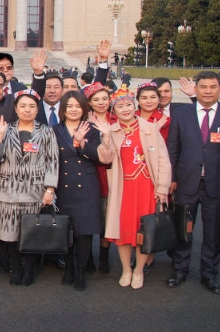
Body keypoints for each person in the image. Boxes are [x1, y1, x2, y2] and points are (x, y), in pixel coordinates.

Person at [166, 71, 220, 294]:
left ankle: (209, 274)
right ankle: (180, 270)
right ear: (196, 89)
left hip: (218, 185)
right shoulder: (181, 113)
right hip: (186, 182)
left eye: (213, 87)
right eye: (203, 87)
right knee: (183, 230)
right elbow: (173, 148)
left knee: (213, 234)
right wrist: (172, 178)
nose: (208, 91)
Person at [92, 88, 171, 290]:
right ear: (113, 110)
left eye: (128, 104)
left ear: (134, 106)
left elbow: (163, 160)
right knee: (124, 231)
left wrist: (162, 187)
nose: (125, 109)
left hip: (147, 187)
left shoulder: (149, 128)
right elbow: (105, 158)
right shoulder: (112, 130)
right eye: (120, 106)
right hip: (123, 188)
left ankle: (139, 270)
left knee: (145, 230)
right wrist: (106, 137)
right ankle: (126, 269)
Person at [0, 89, 59, 286]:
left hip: (34, 190)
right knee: (10, 233)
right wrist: (0, 136)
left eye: (31, 106)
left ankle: (29, 268)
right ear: (16, 108)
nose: (27, 110)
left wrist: (50, 189)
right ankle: (16, 268)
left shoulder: (46, 131)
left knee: (31, 232)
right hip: (9, 190)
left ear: (37, 109)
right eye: (23, 106)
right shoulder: (6, 129)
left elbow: (53, 161)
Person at [53, 91, 101, 291]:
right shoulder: (54, 130)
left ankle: (81, 271)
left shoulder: (92, 129)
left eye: (78, 106)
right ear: (63, 109)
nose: (74, 110)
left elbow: (97, 156)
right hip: (63, 184)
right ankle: (69, 268)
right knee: (65, 230)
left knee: (84, 231)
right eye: (70, 106)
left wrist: (81, 141)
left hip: (86, 185)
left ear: (84, 108)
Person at [82, 81, 115, 274]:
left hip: (111, 178)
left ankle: (104, 255)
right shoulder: (84, 122)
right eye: (96, 100)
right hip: (90, 176)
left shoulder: (117, 120)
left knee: (106, 221)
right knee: (88, 218)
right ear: (89, 102)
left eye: (104, 99)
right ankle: (87, 256)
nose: (101, 103)